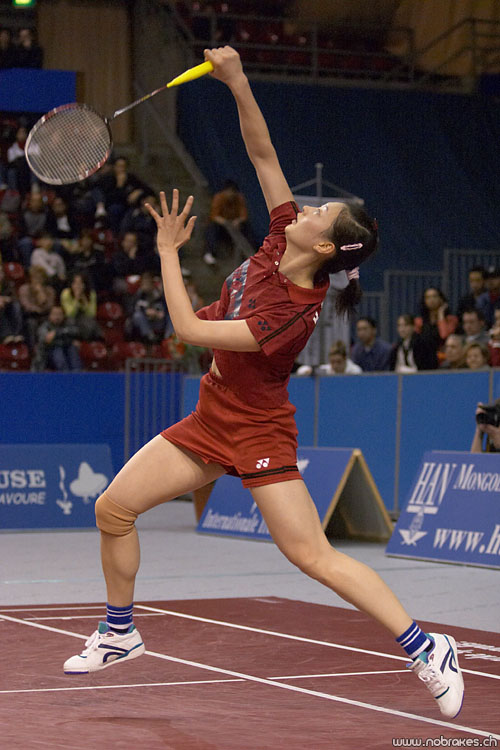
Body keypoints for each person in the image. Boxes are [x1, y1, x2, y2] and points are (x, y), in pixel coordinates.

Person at [63, 46, 464, 720]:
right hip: (210, 418)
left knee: (311, 555)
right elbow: (262, 153)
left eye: (317, 214)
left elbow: (189, 329)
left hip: (257, 431)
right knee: (113, 508)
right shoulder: (281, 237)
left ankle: (429, 648)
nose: (302, 210)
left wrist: (167, 254)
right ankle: (120, 631)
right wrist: (238, 81)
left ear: (325, 248)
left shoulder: (290, 314)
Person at [32, 304, 81, 372]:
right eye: (54, 314)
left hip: (67, 353)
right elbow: (47, 340)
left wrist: (56, 333)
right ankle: (64, 375)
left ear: (64, 315)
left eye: (60, 314)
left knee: (72, 348)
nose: (57, 317)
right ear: (49, 316)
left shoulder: (68, 323)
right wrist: (68, 340)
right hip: (48, 357)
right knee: (57, 350)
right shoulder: (44, 326)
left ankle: (77, 374)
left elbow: (75, 331)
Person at [414, 287, 458, 362]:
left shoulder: (451, 319)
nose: (431, 300)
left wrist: (441, 315)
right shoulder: (419, 322)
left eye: (434, 296)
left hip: (445, 359)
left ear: (441, 299)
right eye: (428, 297)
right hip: (424, 359)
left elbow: (444, 336)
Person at [60, 272, 102, 342]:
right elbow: (70, 314)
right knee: (71, 322)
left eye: (80, 283)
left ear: (85, 284)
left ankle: (90, 342)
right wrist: (76, 299)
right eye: (75, 283)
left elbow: (92, 314)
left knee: (90, 323)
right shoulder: (66, 293)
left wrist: (85, 301)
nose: (77, 286)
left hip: (85, 319)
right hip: (70, 320)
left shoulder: (91, 294)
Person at [296, 339, 361, 376]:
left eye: (339, 362)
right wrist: (310, 371)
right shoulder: (326, 370)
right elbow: (301, 370)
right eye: (332, 362)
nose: (335, 365)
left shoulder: (355, 371)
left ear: (345, 359)